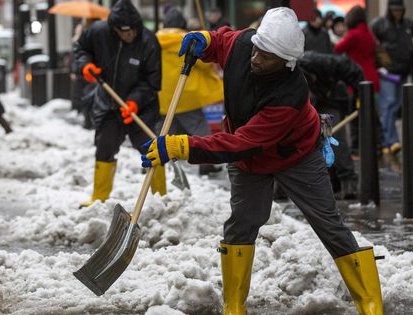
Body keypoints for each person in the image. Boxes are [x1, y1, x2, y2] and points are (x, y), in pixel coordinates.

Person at [140, 7, 382, 315]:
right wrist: (204, 39)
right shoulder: (247, 45)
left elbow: (243, 143)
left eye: (266, 57)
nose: (256, 57)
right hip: (249, 160)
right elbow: (220, 41)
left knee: (328, 223)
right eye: (257, 49)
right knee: (242, 224)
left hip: (296, 154)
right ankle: (234, 305)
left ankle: (370, 302)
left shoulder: (289, 95)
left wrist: (182, 146)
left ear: (286, 63)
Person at [73, 0, 166, 207]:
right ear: (114, 29)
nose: (128, 35)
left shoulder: (149, 42)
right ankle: (99, 198)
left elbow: (153, 82)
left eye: (132, 31)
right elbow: (81, 49)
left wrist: (134, 101)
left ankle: (161, 198)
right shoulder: (98, 32)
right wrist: (85, 65)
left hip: (141, 108)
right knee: (104, 147)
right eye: (123, 32)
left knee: (152, 150)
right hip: (109, 104)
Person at [156, 7, 224, 176]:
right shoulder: (187, 39)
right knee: (200, 130)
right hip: (186, 95)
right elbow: (203, 63)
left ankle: (161, 166)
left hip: (163, 97)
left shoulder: (154, 40)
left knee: (166, 132)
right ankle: (206, 162)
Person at [299, 51, 364, 199]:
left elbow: (350, 68)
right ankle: (333, 184)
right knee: (318, 142)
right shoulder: (287, 78)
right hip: (314, 103)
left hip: (330, 100)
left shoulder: (312, 61)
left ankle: (348, 182)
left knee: (332, 139)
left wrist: (361, 96)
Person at [371, 0, 413, 155]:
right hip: (388, 72)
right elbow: (374, 44)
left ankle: (392, 140)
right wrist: (381, 64)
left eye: (399, 10)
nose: (397, 13)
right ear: (390, 10)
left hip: (403, 71)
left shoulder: (408, 25)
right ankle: (388, 140)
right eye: (394, 10)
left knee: (395, 105)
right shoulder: (380, 24)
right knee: (388, 105)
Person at [335, 6, 381, 156]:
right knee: (371, 113)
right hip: (372, 77)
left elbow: (338, 48)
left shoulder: (354, 35)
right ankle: (377, 144)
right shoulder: (369, 33)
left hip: (357, 79)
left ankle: (356, 147)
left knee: (355, 114)